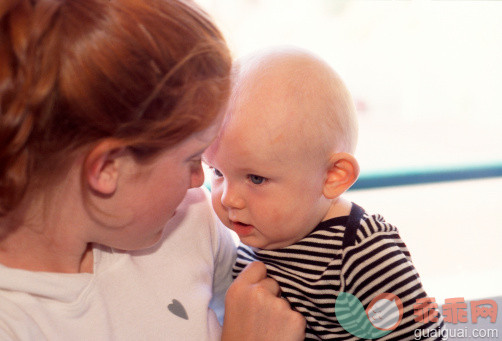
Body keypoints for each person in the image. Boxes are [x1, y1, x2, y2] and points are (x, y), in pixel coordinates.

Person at [0, 1, 305, 339]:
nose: (200, 182)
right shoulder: (14, 321)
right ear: (107, 169)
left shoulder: (191, 220)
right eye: (191, 159)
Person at [204, 46, 445, 340]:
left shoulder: (361, 252)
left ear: (333, 176)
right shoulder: (255, 236)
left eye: (256, 178)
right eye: (217, 172)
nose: (228, 198)